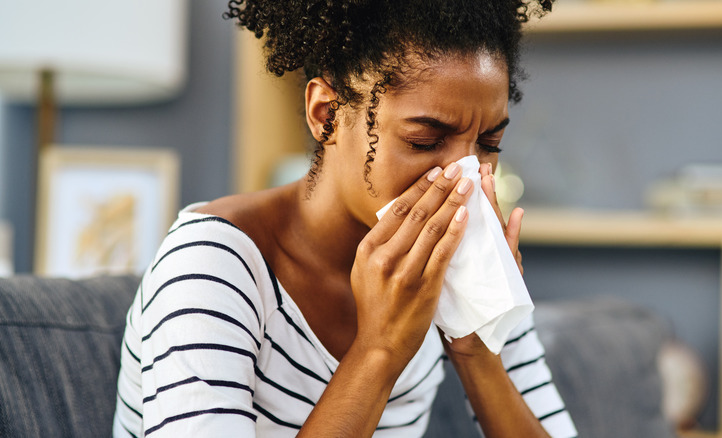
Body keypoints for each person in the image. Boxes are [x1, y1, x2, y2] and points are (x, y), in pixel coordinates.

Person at [113, 0, 577, 436]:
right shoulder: (211, 267)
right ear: (327, 114)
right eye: (424, 141)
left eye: (488, 145)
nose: (467, 181)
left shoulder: (458, 264)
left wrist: (477, 348)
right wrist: (380, 348)